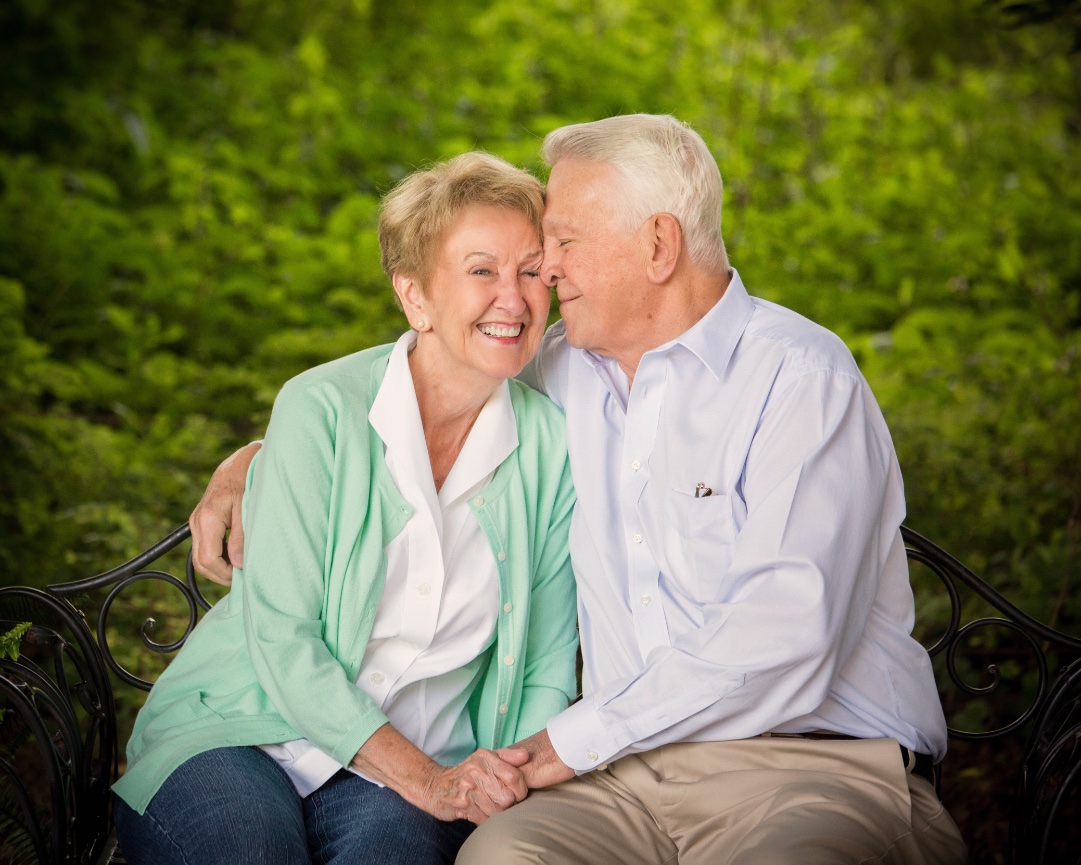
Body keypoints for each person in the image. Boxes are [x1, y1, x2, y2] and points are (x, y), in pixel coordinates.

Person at [192, 115, 967, 864]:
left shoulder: (800, 379)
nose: (544, 272)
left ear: (658, 244)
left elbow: (784, 630)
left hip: (807, 770)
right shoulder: (559, 372)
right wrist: (259, 456)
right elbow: (417, 384)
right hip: (618, 782)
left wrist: (571, 740)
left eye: (559, 245)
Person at [112, 152, 579, 865]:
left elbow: (546, 661)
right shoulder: (321, 409)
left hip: (424, 769)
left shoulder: (550, 444)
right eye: (481, 270)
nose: (512, 298)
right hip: (242, 731)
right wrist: (431, 782)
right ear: (414, 296)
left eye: (528, 269)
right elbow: (283, 637)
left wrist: (493, 777)